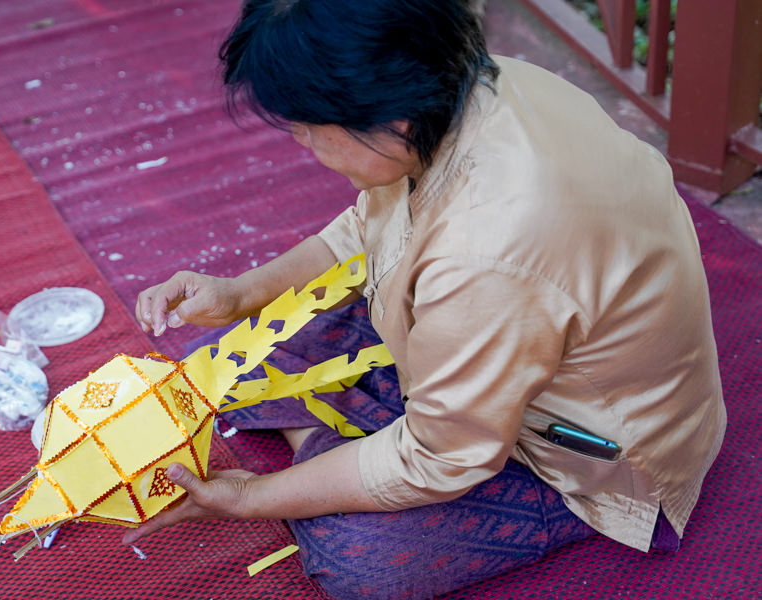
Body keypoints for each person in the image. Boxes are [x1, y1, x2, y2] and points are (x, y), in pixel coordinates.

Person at [124, 0, 727, 597]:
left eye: (307, 125)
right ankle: (341, 447)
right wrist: (239, 295)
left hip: (578, 455)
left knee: (358, 560)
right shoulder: (475, 85)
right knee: (224, 354)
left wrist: (249, 496)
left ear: (390, 116)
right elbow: (366, 230)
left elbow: (441, 458)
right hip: (485, 338)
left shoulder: (489, 244)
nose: (302, 141)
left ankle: (328, 449)